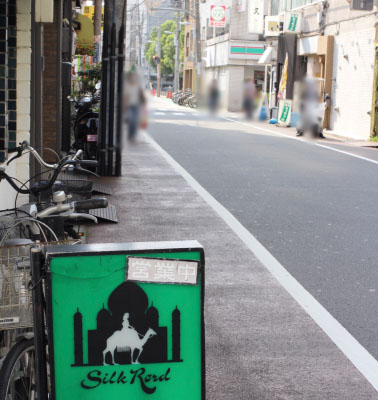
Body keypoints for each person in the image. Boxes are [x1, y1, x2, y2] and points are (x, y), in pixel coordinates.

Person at [124, 71, 146, 141]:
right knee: (131, 119)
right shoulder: (127, 86)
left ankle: (132, 134)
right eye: (132, 77)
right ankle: (130, 134)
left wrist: (143, 102)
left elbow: (141, 94)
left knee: (135, 121)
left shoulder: (137, 86)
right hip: (129, 105)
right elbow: (126, 96)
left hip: (136, 105)